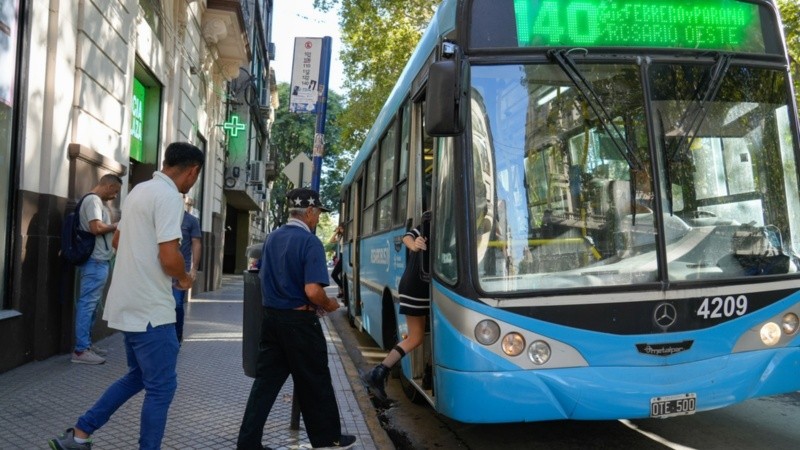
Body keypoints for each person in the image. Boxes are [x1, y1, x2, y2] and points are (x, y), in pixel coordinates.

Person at [48, 142, 204, 450]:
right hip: (152, 310)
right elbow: (170, 257)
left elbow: (118, 239)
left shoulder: (139, 191)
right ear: (193, 171)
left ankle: (79, 434)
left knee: (137, 377)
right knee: (162, 387)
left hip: (128, 305)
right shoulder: (171, 197)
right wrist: (185, 278)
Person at [237, 188, 356, 450]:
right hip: (300, 325)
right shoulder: (309, 241)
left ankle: (247, 443)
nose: (317, 220)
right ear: (310, 212)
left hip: (272, 321)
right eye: (317, 214)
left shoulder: (273, 238)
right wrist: (329, 304)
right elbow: (313, 290)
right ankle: (329, 439)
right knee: (315, 380)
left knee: (265, 385)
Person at [361, 211, 431, 401]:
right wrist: (414, 246)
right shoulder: (431, 219)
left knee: (427, 334)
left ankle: (380, 373)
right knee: (415, 337)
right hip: (416, 286)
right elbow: (407, 237)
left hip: (425, 287)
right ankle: (377, 374)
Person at [71, 174, 122, 365]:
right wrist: (116, 225)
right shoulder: (93, 201)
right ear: (108, 186)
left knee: (91, 306)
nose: (115, 196)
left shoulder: (95, 201)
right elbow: (95, 228)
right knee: (87, 305)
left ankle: (86, 345)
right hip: (96, 260)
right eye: (115, 191)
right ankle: (81, 350)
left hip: (98, 260)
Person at [173, 195, 201, 343]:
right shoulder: (164, 216)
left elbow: (196, 243)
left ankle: (177, 336)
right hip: (160, 272)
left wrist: (194, 269)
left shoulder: (191, 220)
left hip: (180, 272)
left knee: (177, 304)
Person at [329, 224, 344, 298]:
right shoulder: (341, 237)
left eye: (341, 228)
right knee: (334, 275)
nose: (340, 230)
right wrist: (336, 232)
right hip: (341, 256)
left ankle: (342, 289)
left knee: (334, 274)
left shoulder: (348, 235)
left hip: (344, 256)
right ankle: (342, 289)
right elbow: (331, 240)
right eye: (339, 229)